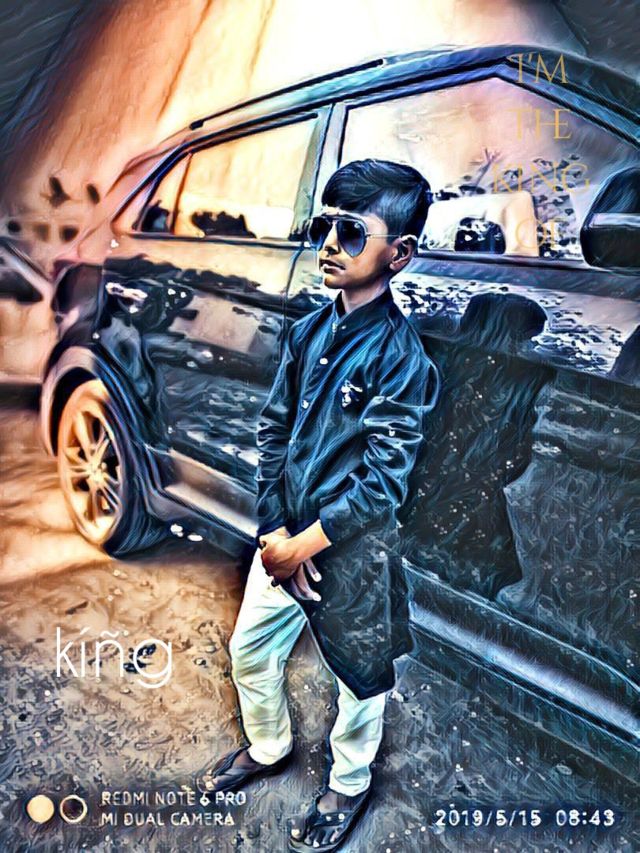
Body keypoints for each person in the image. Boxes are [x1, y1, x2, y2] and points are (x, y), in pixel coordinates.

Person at [196, 158, 440, 851]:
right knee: (250, 649)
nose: (330, 244)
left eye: (352, 231)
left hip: (351, 555)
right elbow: (273, 431)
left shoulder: (401, 359)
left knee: (360, 681)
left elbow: (385, 482)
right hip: (282, 541)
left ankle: (348, 785)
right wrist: (275, 534)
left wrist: (305, 546)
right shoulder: (307, 332)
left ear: (399, 254)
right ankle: (269, 746)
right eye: (323, 226)